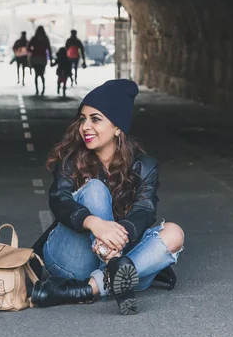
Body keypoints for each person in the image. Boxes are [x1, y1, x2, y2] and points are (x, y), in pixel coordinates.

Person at [30, 79, 185, 315]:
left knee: (175, 232)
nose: (85, 127)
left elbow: (144, 211)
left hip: (120, 256)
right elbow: (59, 201)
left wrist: (116, 239)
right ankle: (115, 270)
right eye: (83, 119)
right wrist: (95, 223)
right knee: (94, 189)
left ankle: (88, 288)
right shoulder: (72, 160)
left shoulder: (145, 167)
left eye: (95, 119)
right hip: (72, 258)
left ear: (117, 127)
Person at [27, 26, 52, 96]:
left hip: (35, 58)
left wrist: (33, 51)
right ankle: (43, 88)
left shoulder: (34, 38)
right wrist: (51, 58)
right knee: (42, 74)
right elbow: (49, 49)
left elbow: (28, 47)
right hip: (43, 58)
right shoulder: (45, 38)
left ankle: (37, 90)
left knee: (36, 75)